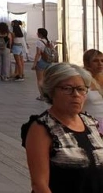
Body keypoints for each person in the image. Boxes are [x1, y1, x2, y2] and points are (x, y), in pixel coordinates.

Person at [22, 63, 103, 192]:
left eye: (81, 89)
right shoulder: (42, 128)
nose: (76, 94)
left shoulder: (90, 122)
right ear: (51, 91)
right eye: (67, 88)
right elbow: (39, 184)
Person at [32, 28, 56, 100]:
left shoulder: (39, 42)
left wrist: (34, 63)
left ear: (40, 34)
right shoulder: (49, 41)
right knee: (46, 79)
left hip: (41, 61)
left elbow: (38, 53)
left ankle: (42, 95)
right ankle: (48, 94)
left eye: (38, 32)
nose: (37, 34)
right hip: (49, 62)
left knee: (40, 80)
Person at [83, 49, 103, 133]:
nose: (100, 63)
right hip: (90, 124)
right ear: (87, 63)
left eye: (102, 60)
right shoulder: (82, 80)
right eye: (95, 61)